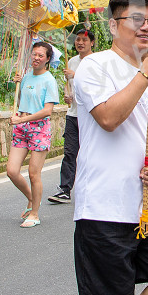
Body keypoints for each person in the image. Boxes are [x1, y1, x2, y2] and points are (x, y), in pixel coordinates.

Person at [71, 0, 148, 295]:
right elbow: (108, 118)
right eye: (136, 19)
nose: (146, 26)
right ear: (112, 25)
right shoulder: (94, 67)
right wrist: (145, 74)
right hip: (104, 206)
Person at [8, 40, 59, 228]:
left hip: (39, 129)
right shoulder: (26, 76)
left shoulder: (49, 80)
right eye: (34, 54)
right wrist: (19, 86)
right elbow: (24, 101)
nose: (36, 58)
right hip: (21, 127)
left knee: (33, 173)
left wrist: (22, 120)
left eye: (40, 56)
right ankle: (31, 198)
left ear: (47, 59)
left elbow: (47, 111)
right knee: (12, 171)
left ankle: (35, 213)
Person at [49, 27, 95, 204]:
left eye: (84, 40)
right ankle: (64, 189)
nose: (80, 43)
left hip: (90, 116)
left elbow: (94, 84)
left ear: (91, 43)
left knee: (89, 153)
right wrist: (67, 95)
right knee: (69, 152)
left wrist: (75, 76)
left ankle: (91, 188)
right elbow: (69, 87)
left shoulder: (96, 62)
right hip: (73, 114)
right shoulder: (72, 61)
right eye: (78, 40)